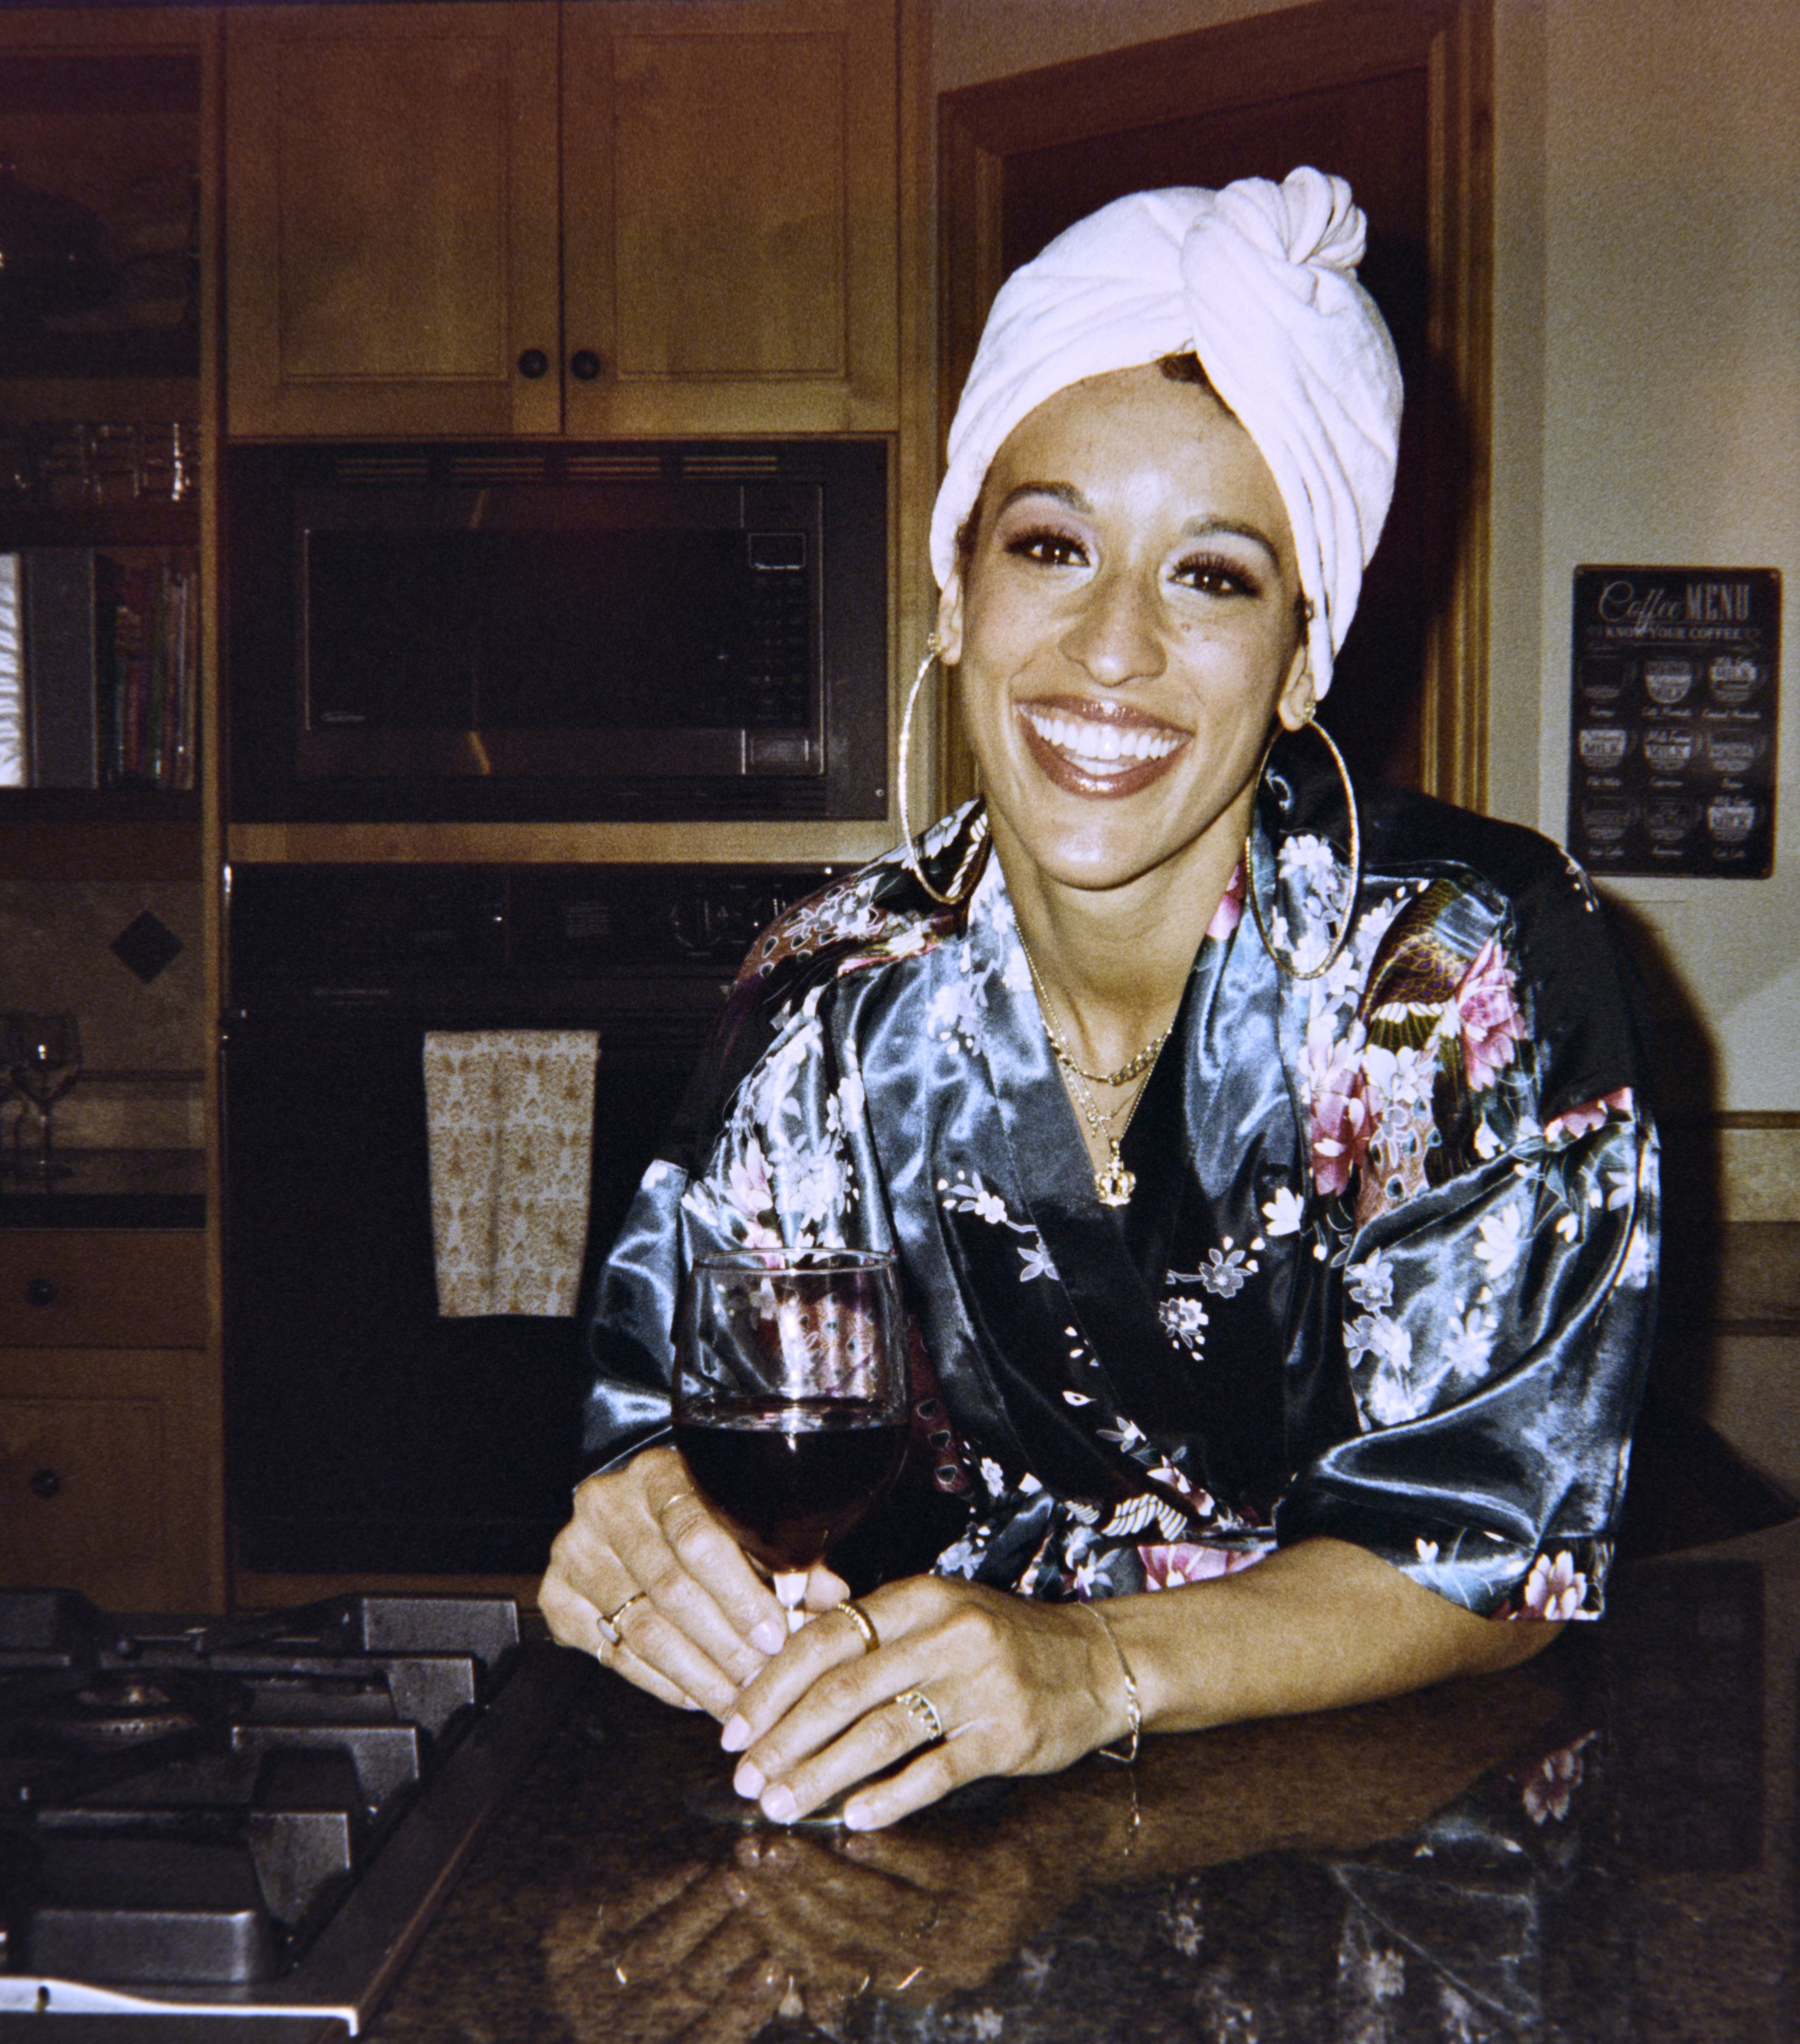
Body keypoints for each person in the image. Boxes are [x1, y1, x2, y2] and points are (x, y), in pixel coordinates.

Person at [545, 166, 1659, 1832]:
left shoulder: (1456, 971)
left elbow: (1490, 1549)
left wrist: (1085, 1666)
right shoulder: (822, 994)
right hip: (928, 1822)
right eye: (1049, 546)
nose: (1111, 646)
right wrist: (643, 1533)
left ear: (1300, 656)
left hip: (1368, 1833)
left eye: (1209, 578)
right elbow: (671, 1426)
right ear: (954, 593)